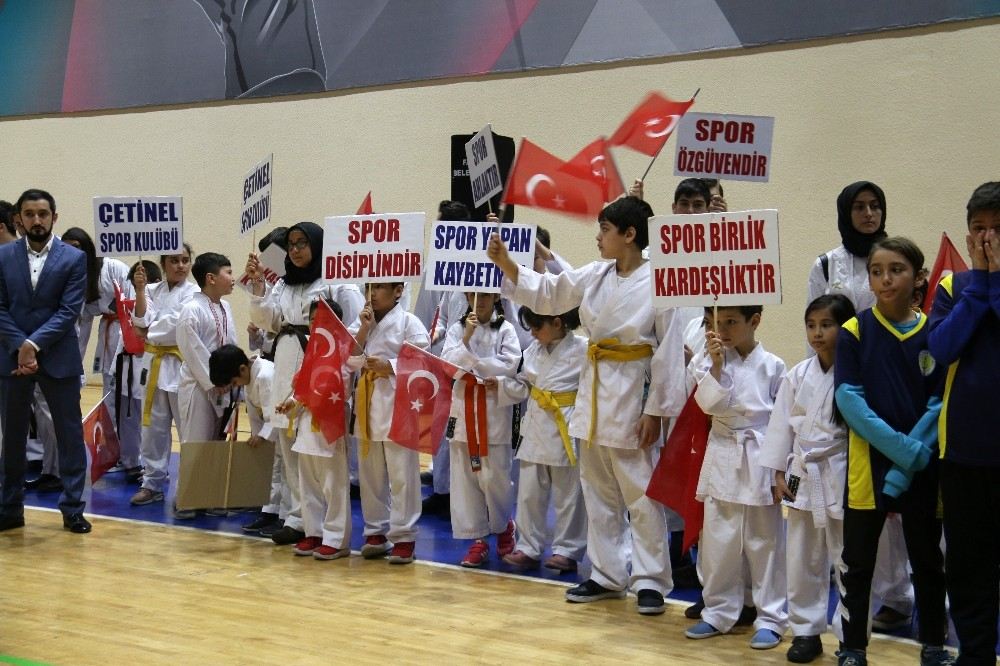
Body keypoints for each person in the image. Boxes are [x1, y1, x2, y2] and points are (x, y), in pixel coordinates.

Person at [487, 195, 687, 616]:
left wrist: (657, 412)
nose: (598, 238)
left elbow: (670, 350)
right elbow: (550, 293)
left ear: (629, 235)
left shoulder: (660, 279)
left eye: (605, 230)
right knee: (597, 491)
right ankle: (607, 574)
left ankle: (650, 579)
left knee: (640, 493)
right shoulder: (597, 274)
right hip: (593, 391)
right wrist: (507, 263)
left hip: (633, 391)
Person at [833, 237, 952, 666]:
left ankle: (934, 644)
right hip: (870, 467)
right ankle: (853, 647)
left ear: (918, 276)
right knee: (858, 562)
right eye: (877, 271)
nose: (886, 278)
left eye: (897, 269)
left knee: (927, 560)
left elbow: (938, 403)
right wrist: (904, 451)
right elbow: (849, 400)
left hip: (924, 465)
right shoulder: (854, 331)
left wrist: (915, 455)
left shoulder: (937, 331)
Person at [806, 180, 913, 632]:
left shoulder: (893, 259)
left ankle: (900, 595)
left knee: (893, 494)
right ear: (845, 212)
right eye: (860, 207)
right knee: (858, 496)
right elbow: (816, 319)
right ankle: (861, 591)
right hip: (842, 383)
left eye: (875, 206)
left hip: (890, 381)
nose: (868, 213)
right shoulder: (826, 262)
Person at [246, 222, 363, 545]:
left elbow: (352, 330)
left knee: (321, 450)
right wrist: (258, 287)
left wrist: (331, 363)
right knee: (289, 441)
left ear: (317, 244)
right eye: (291, 244)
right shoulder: (283, 284)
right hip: (285, 360)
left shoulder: (337, 282)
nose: (296, 250)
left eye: (302, 243)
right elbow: (265, 320)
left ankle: (331, 526)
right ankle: (300, 518)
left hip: (321, 365)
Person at [682, 306, 787, 649]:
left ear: (754, 321)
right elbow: (708, 406)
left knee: (763, 540)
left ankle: (770, 617)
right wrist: (714, 366)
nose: (722, 330)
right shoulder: (706, 361)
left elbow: (782, 422)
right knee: (718, 539)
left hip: (760, 453)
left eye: (731, 322)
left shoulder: (774, 366)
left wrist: (778, 469)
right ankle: (717, 611)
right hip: (723, 449)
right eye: (715, 323)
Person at [760, 294, 856, 663]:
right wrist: (778, 472)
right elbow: (780, 427)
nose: (817, 333)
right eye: (811, 325)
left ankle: (851, 636)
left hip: (842, 471)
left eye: (826, 325)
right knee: (801, 558)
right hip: (803, 470)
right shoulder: (798, 374)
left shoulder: (857, 371)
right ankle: (805, 630)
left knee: (848, 558)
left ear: (846, 327)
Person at [928, 181, 1000, 666]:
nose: (987, 239)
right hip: (964, 451)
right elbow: (942, 348)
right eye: (979, 230)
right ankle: (974, 654)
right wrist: (981, 282)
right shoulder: (955, 286)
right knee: (968, 565)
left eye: (997, 230)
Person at [0, 189, 91, 534]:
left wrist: (33, 345)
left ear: (55, 216)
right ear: (18, 219)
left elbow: (69, 311)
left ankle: (72, 508)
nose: (36, 220)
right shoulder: (3, 256)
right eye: (29, 214)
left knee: (68, 436)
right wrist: (20, 344)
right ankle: (9, 508)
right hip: (11, 355)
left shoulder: (73, 258)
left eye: (42, 213)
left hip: (58, 357)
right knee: (12, 437)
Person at [494, 305, 587, 572]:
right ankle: (528, 545)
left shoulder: (583, 349)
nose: (533, 334)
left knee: (569, 493)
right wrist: (500, 386)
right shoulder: (532, 352)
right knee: (529, 492)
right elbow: (523, 386)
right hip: (535, 423)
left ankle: (567, 550)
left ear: (557, 323)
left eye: (537, 327)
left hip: (565, 424)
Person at [348, 282, 429, 564]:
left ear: (398, 291)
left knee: (402, 474)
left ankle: (404, 536)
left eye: (380, 287)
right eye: (369, 287)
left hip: (400, 406)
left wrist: (391, 367)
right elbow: (348, 359)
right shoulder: (362, 322)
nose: (372, 294)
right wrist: (363, 329)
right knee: (370, 474)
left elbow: (424, 362)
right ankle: (375, 531)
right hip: (366, 403)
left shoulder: (409, 322)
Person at [441, 291, 521, 568]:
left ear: (497, 296)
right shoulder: (457, 329)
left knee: (494, 478)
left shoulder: (506, 329)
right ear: (466, 295)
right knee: (465, 480)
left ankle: (503, 527)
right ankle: (478, 539)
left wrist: (476, 367)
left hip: (493, 412)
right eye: (474, 294)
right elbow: (448, 368)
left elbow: (511, 365)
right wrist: (466, 339)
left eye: (486, 295)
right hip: (463, 412)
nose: (480, 300)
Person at [61, 227, 142, 481]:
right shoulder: (74, 277)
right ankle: (115, 453)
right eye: (67, 247)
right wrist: (75, 362)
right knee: (109, 397)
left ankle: (134, 458)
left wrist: (129, 339)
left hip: (127, 334)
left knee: (128, 400)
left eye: (77, 246)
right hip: (106, 335)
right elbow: (81, 322)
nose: (73, 251)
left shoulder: (112, 267)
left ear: (87, 248)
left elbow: (132, 304)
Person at [413, 200, 476, 520]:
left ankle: (457, 490)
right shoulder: (434, 269)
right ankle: (442, 487)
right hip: (438, 357)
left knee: (460, 427)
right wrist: (420, 353)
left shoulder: (475, 268)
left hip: (466, 357)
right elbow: (424, 314)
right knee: (442, 424)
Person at [129, 245, 197, 506]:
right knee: (152, 429)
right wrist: (138, 291)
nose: (180, 265)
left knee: (187, 428)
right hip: (154, 365)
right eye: (174, 261)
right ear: (164, 263)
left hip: (181, 366)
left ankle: (190, 487)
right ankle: (152, 483)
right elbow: (139, 321)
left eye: (185, 260)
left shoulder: (195, 293)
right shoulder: (150, 290)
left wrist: (147, 331)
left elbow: (175, 325)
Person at [173, 252, 238, 517]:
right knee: (196, 441)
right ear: (211, 278)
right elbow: (192, 348)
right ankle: (186, 499)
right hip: (199, 386)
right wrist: (213, 382)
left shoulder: (225, 307)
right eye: (229, 273)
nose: (233, 279)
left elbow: (230, 343)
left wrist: (232, 376)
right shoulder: (192, 309)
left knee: (216, 442)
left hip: (223, 386)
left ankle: (210, 496)